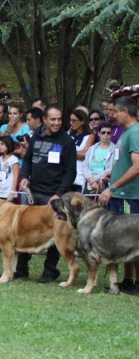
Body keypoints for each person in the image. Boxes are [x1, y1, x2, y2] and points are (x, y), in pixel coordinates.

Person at [17, 105, 77, 283]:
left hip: (54, 196)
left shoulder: (67, 141)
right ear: (44, 120)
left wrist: (59, 194)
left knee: (55, 233)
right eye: (53, 119)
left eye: (59, 119)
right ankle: (20, 269)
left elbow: (70, 172)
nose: (57, 122)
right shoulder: (36, 136)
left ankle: (50, 271)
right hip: (33, 193)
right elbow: (27, 160)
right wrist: (25, 177)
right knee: (24, 229)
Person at [98, 97, 139, 295]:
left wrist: (112, 187)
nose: (112, 114)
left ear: (125, 112)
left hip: (130, 195)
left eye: (115, 111)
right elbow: (123, 162)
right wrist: (110, 173)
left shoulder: (136, 132)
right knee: (123, 240)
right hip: (121, 194)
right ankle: (128, 280)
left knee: (134, 239)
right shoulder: (126, 132)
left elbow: (137, 167)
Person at [81, 122, 115, 195]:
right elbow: (84, 165)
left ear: (111, 134)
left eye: (108, 133)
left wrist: (95, 178)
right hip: (89, 182)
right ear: (98, 133)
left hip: (105, 183)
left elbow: (113, 167)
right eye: (103, 132)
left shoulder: (115, 149)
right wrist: (91, 179)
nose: (106, 135)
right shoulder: (92, 148)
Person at [68, 109, 95, 192]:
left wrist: (67, 154)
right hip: (67, 172)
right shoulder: (68, 134)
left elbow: (85, 154)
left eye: (74, 120)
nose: (71, 123)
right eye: (70, 120)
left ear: (82, 121)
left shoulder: (90, 135)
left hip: (80, 173)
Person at [0, 135, 19, 201]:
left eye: (2, 144)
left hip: (8, 192)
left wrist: (12, 192)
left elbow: (16, 177)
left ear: (8, 144)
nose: (0, 146)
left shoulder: (14, 159)